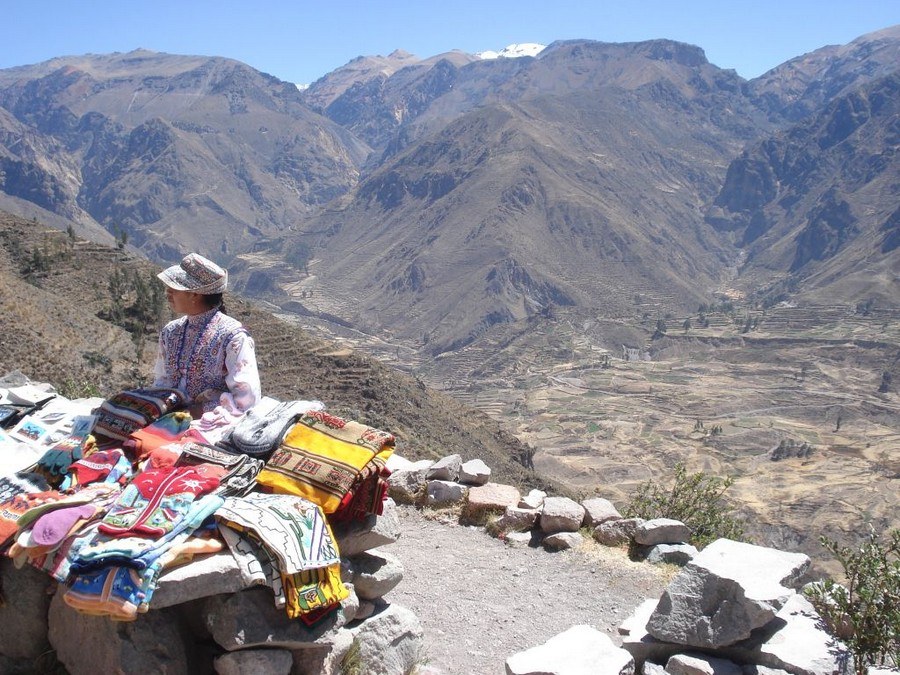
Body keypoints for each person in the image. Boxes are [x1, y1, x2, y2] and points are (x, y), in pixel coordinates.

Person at [153, 253, 261, 416]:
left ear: (195, 294)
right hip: (167, 418)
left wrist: (193, 412)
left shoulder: (233, 337)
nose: (168, 292)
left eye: (175, 287)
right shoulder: (171, 332)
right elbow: (161, 382)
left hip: (211, 425)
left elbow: (246, 401)